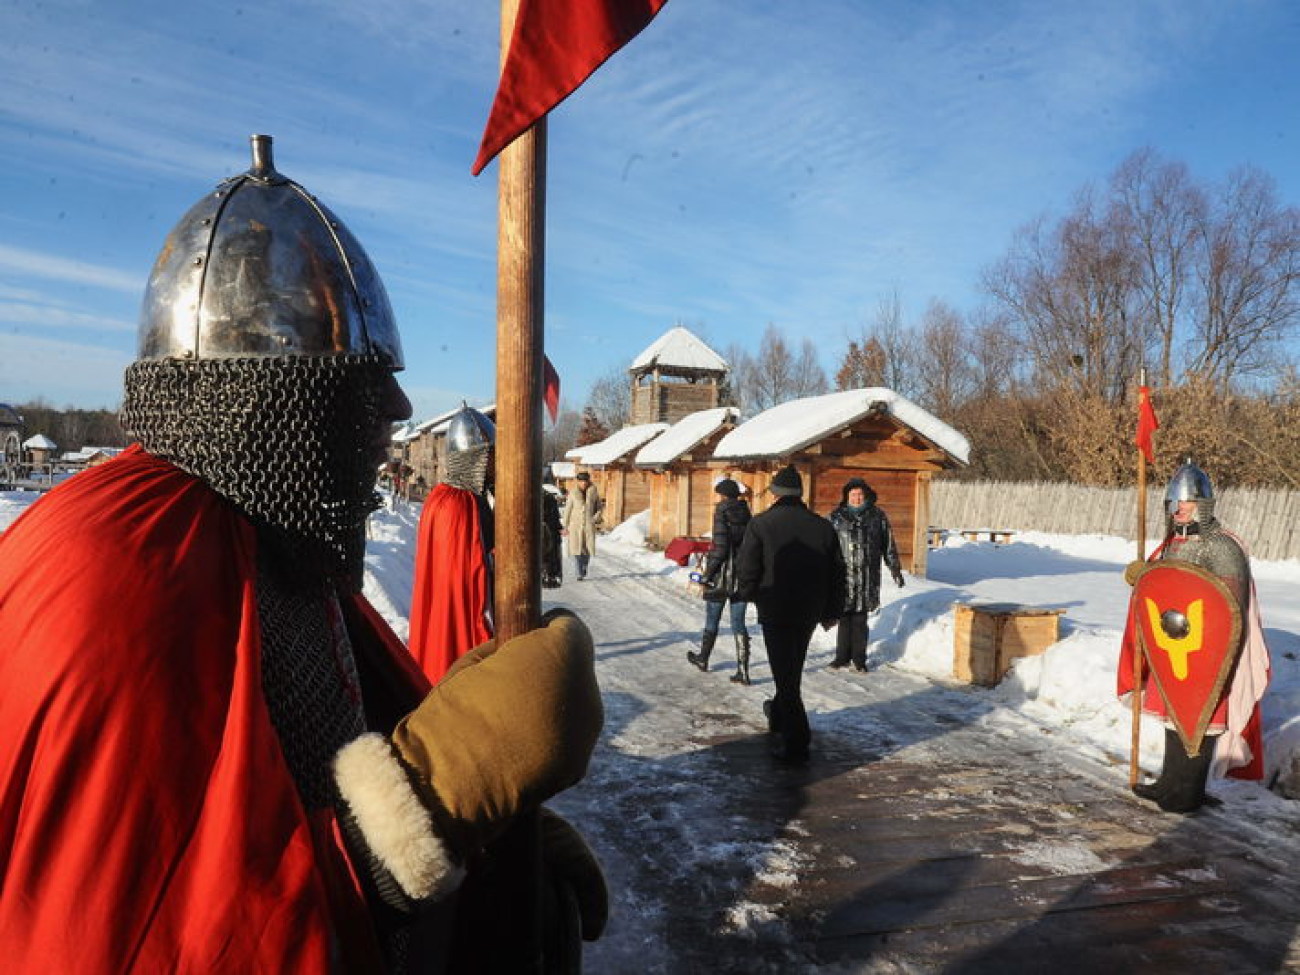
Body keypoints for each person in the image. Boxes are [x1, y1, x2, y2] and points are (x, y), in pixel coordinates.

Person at [0, 135, 605, 972]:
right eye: (358, 381)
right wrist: (433, 804)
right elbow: (160, 938)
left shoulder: (270, 535)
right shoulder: (120, 572)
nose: (397, 402)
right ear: (263, 398)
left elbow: (317, 761)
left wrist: (501, 837)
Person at [1118, 459, 1271, 813]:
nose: (1179, 509)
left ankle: (1187, 794)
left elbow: (1230, 610)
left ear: (1204, 504)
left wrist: (1217, 655)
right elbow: (1165, 595)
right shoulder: (1171, 545)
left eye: (1186, 503)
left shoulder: (1223, 548)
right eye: (1174, 503)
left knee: (1200, 722)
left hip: (1208, 655)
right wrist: (1145, 576)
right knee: (1174, 717)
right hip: (1173, 649)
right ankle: (1169, 783)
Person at [736, 465, 846, 763]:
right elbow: (838, 572)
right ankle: (778, 716)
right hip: (810, 609)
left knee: (785, 674)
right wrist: (833, 610)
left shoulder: (761, 524)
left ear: (775, 494)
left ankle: (797, 741)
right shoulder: (822, 526)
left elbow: (748, 567)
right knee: (791, 668)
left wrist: (745, 595)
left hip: (775, 607)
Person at [408, 403, 496, 684]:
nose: (496, 465)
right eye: (491, 456)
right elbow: (472, 581)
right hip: (460, 631)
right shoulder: (458, 506)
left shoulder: (442, 498)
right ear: (476, 458)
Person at [827, 477, 905, 672]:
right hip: (842, 577)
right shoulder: (836, 517)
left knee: (860, 619)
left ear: (866, 495)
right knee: (844, 618)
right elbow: (826, 546)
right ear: (846, 496)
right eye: (853, 494)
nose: (856, 498)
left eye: (860, 494)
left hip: (867, 577)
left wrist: (895, 569)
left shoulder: (877, 516)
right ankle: (841, 657)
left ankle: (859, 660)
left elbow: (888, 545)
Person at [687, 477, 753, 683]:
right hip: (742, 575)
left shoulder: (721, 511)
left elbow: (721, 547)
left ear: (723, 496)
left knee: (712, 619)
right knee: (738, 624)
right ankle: (743, 671)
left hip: (722, 575)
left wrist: (707, 574)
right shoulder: (747, 512)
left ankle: (703, 659)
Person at [562, 470, 602, 581]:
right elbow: (568, 510)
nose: (584, 483)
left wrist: (595, 518)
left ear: (588, 481)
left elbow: (599, 507)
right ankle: (579, 572)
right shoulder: (573, 493)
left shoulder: (593, 492)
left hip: (589, 525)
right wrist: (565, 526)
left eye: (585, 481)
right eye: (581, 481)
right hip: (575, 525)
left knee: (587, 549)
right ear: (578, 482)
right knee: (576, 549)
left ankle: (584, 566)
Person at [542, 471, 564, 589]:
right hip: (549, 531)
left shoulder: (549, 498)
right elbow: (555, 518)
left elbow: (555, 518)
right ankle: (550, 576)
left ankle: (548, 576)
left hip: (547, 532)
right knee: (549, 555)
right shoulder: (550, 498)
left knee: (547, 555)